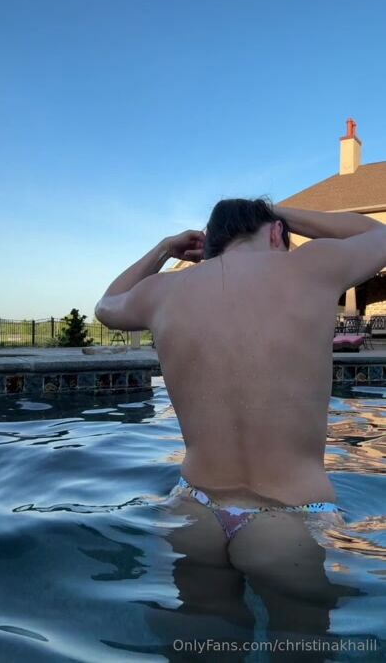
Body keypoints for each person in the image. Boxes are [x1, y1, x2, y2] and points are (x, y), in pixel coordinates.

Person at [95, 198, 384, 645]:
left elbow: (106, 306)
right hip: (290, 518)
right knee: (300, 648)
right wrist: (283, 213)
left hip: (194, 510)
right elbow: (379, 234)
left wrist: (165, 249)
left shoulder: (164, 291)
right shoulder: (313, 266)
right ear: (276, 233)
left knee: (205, 647)